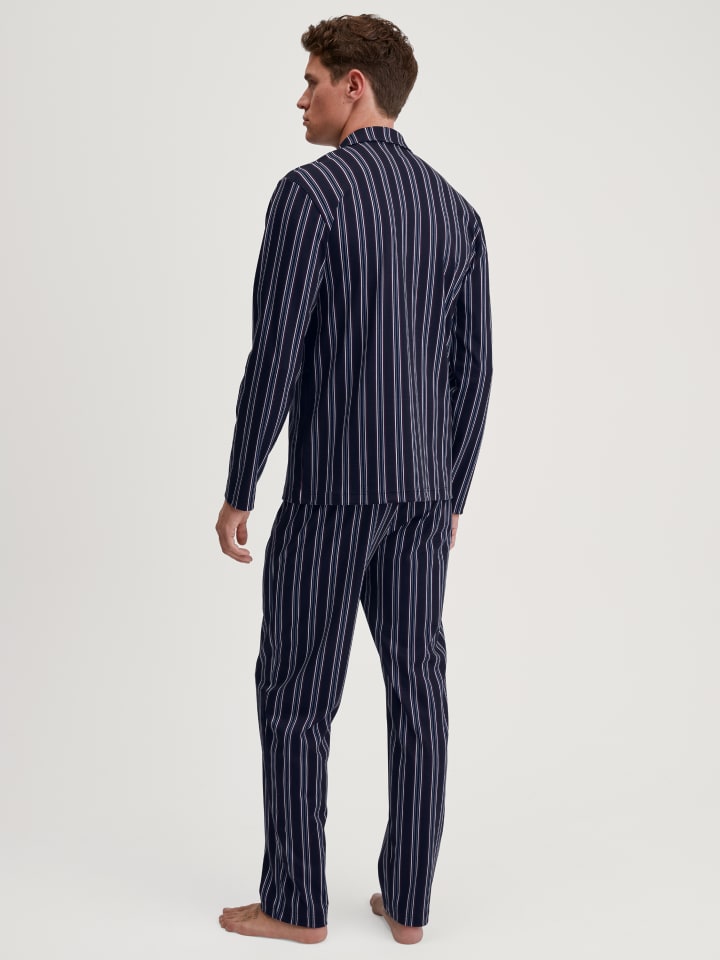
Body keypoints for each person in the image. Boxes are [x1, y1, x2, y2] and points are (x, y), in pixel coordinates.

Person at [215, 13, 493, 946]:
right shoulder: (456, 212)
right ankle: (409, 905)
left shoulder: (310, 196)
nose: (300, 99)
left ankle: (296, 905)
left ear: (354, 86)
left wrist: (241, 483)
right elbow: (475, 371)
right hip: (421, 496)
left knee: (297, 695)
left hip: (332, 493)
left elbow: (276, 354)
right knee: (420, 690)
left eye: (312, 81)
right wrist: (451, 492)